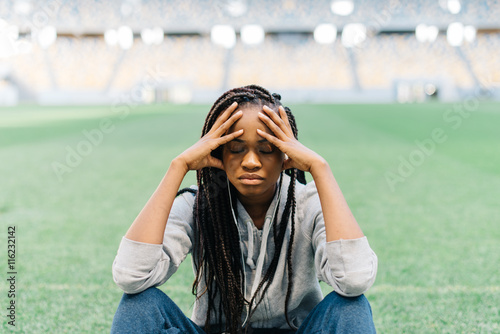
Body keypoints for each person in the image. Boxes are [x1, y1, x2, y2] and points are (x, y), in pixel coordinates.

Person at [110, 85, 378, 334]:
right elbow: (130, 277)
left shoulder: (309, 202)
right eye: (236, 149)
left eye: (266, 149)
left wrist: (321, 169)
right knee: (138, 305)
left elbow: (354, 280)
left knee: (351, 308)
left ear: (287, 153)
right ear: (218, 152)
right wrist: (178, 167)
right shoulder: (199, 204)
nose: (251, 162)